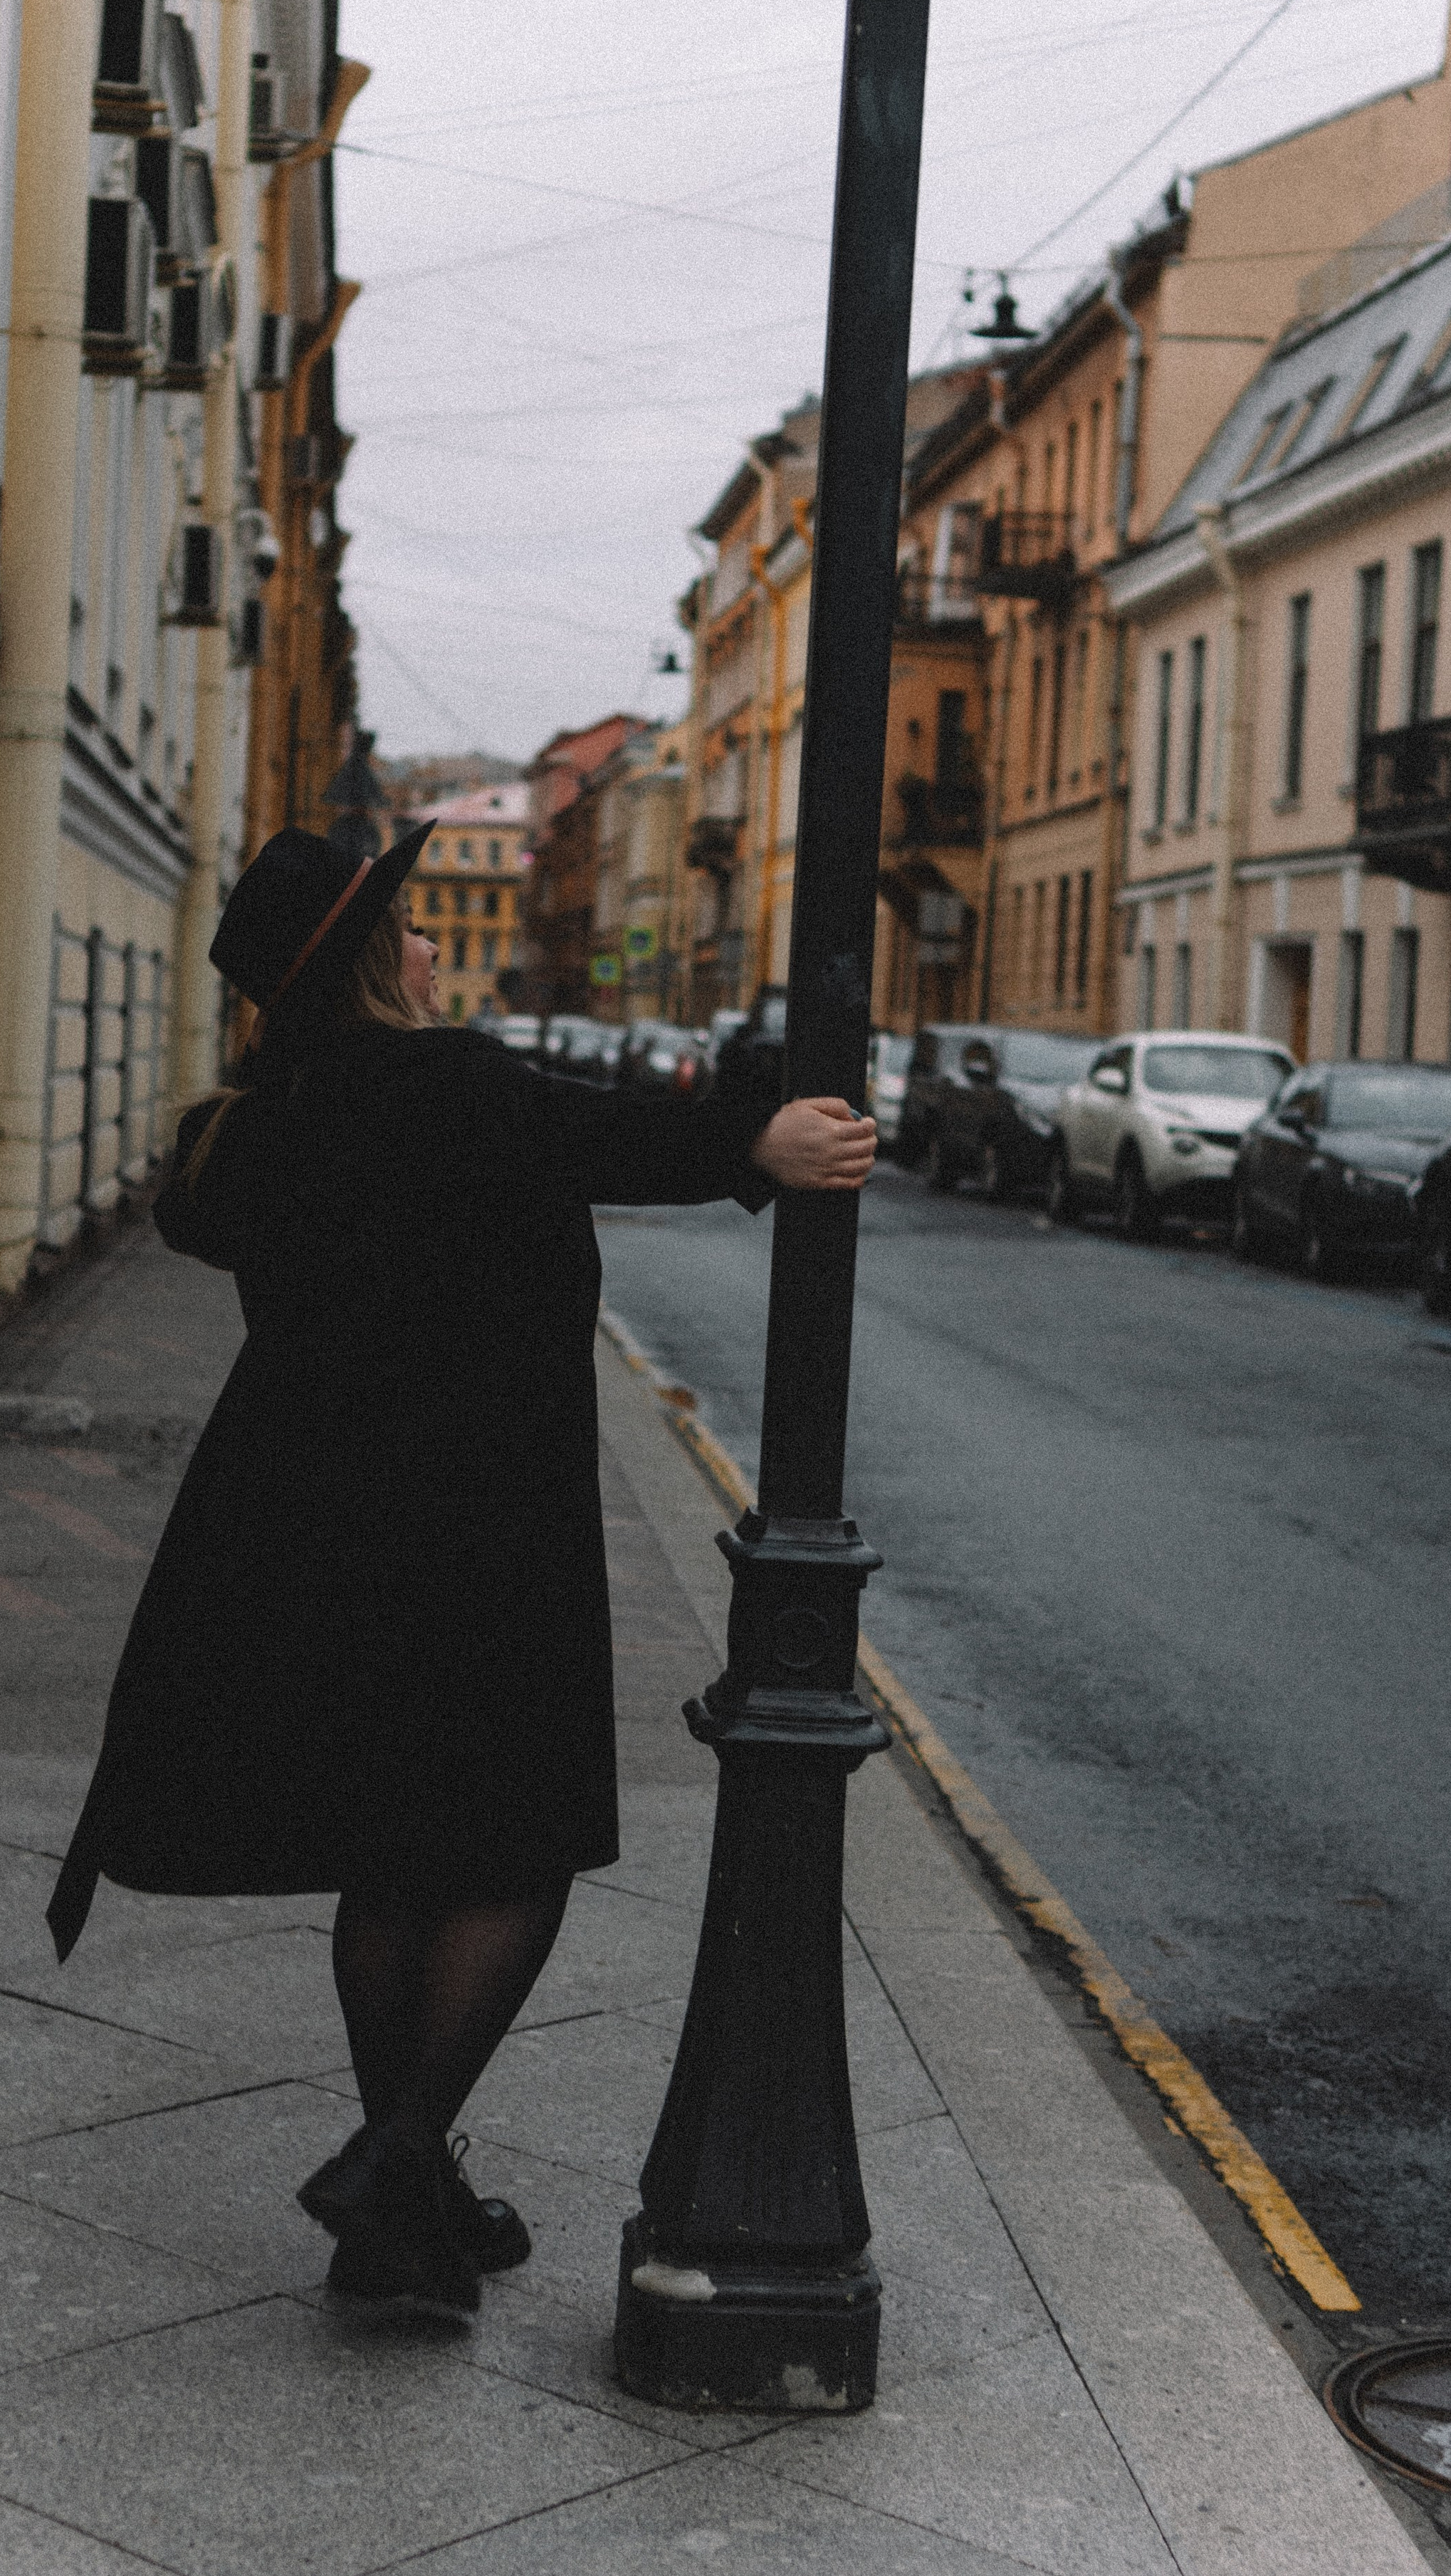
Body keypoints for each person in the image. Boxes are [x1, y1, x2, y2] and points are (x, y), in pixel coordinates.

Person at [45, 820, 874, 2315]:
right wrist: (764, 1144)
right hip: (489, 1519)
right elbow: (610, 1131)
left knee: (391, 1846)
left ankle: (400, 2221)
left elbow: (232, 1206)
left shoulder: (258, 1126)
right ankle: (396, 2152)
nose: (432, 944)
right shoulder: (459, 1089)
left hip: (315, 1524)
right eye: (411, 928)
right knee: (510, 1846)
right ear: (371, 961)